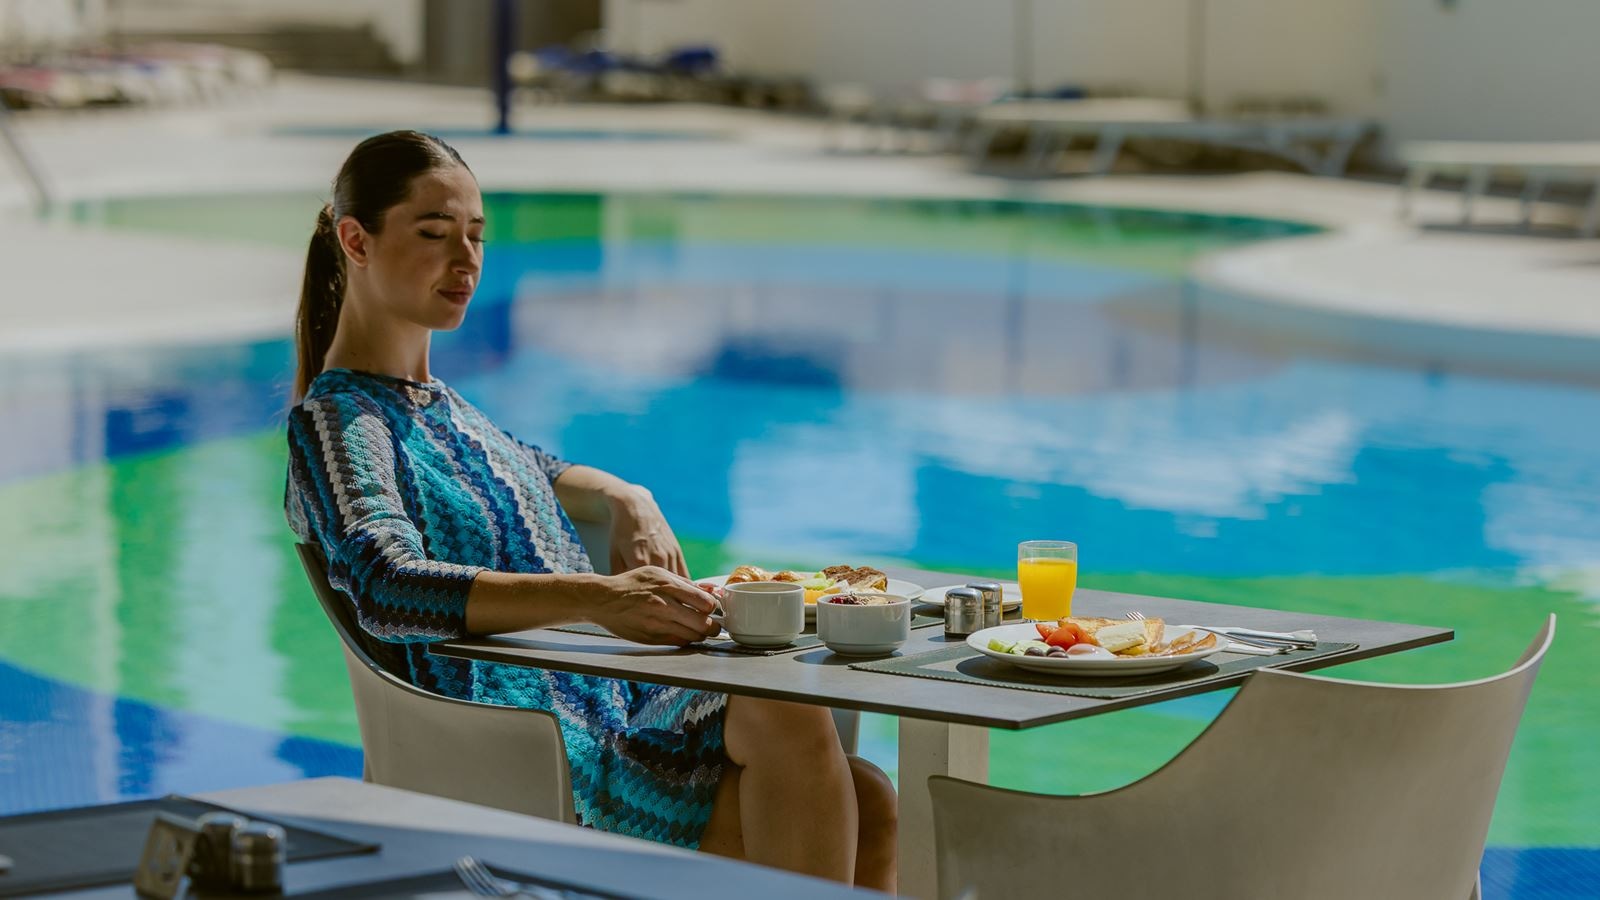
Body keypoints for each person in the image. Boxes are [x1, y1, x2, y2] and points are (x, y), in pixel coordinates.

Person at [283, 131, 896, 889]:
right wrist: (603, 601)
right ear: (356, 240)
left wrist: (624, 495)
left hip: (605, 711)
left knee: (867, 793)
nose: (466, 260)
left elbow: (537, 470)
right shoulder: (340, 422)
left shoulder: (443, 411)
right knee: (789, 717)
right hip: (522, 742)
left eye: (476, 237)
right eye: (435, 234)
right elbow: (385, 583)